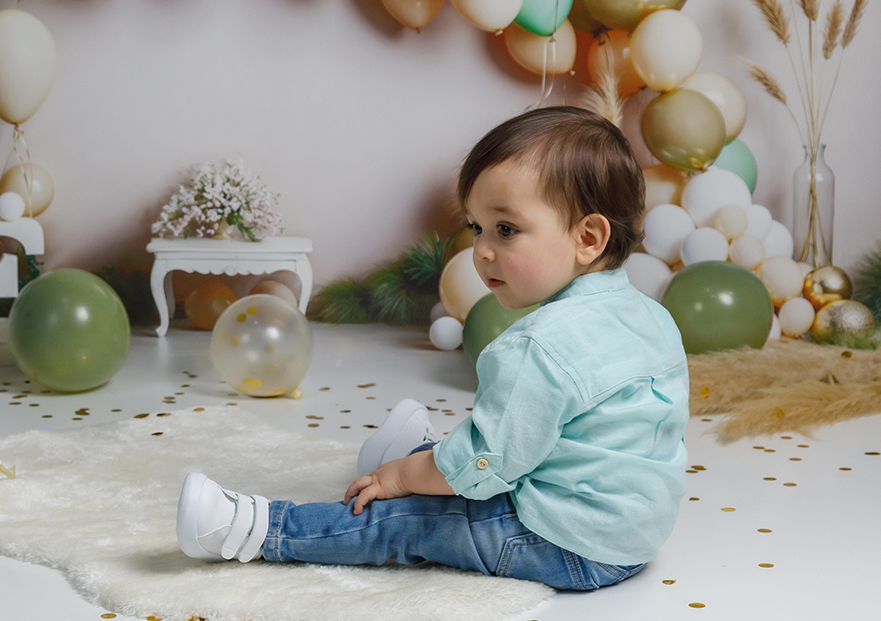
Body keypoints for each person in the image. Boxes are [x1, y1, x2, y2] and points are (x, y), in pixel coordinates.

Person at [175, 106, 689, 590]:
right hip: (633, 536)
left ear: (588, 238)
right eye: (477, 227)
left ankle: (253, 528)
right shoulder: (655, 319)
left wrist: (404, 477)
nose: (482, 250)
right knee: (455, 468)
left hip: (564, 543)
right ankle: (422, 455)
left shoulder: (541, 347)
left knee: (407, 521)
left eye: (506, 230)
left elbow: (488, 463)